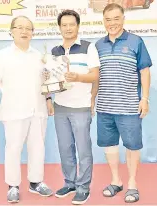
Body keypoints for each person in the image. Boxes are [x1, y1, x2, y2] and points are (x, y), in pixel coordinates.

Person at [0, 16, 53, 203]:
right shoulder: (1, 56)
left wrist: (48, 100)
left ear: (33, 32)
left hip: (38, 110)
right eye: (20, 28)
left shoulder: (39, 56)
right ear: (12, 31)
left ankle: (36, 182)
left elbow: (45, 81)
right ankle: (13, 185)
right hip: (13, 111)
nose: (24, 31)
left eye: (28, 28)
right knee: (13, 149)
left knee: (38, 148)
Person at [93, 3, 152, 203]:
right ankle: (116, 181)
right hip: (105, 108)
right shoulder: (98, 45)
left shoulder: (136, 41)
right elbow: (95, 75)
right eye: (108, 19)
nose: (112, 23)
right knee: (109, 145)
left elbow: (144, 71)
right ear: (103, 21)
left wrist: (144, 98)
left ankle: (132, 184)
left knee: (132, 145)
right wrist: (92, 99)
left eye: (116, 18)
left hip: (129, 107)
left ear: (123, 19)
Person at [51, 9, 100, 205]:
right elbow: (49, 78)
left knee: (83, 149)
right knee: (65, 148)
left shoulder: (89, 47)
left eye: (72, 24)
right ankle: (70, 182)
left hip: (81, 107)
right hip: (60, 106)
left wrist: (78, 77)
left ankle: (83, 187)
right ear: (60, 28)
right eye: (64, 25)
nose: (68, 28)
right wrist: (48, 95)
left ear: (78, 26)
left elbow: (95, 75)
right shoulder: (54, 51)